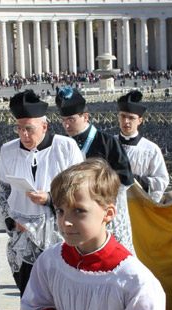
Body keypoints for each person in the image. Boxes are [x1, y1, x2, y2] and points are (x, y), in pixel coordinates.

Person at [20, 158, 166, 310]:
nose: (65, 222)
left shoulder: (133, 278)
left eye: (79, 211)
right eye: (60, 210)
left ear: (109, 213)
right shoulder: (50, 262)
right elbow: (33, 309)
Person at [0, 90, 83, 296]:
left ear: (44, 126)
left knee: (61, 297)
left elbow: (81, 188)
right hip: (23, 237)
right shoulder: (8, 150)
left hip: (59, 236)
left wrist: (50, 199)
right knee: (29, 297)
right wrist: (10, 222)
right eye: (19, 129)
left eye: (29, 129)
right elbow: (1, 191)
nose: (24, 135)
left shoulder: (65, 147)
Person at [56, 86, 135, 252]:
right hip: (73, 216)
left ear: (85, 117)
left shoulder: (107, 142)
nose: (66, 125)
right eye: (63, 120)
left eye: (71, 120)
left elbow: (125, 178)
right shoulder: (61, 145)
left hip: (104, 214)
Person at [116, 90, 169, 202]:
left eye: (131, 118)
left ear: (140, 120)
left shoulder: (151, 149)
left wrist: (135, 179)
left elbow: (162, 181)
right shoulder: (108, 143)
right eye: (123, 116)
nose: (126, 122)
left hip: (139, 204)